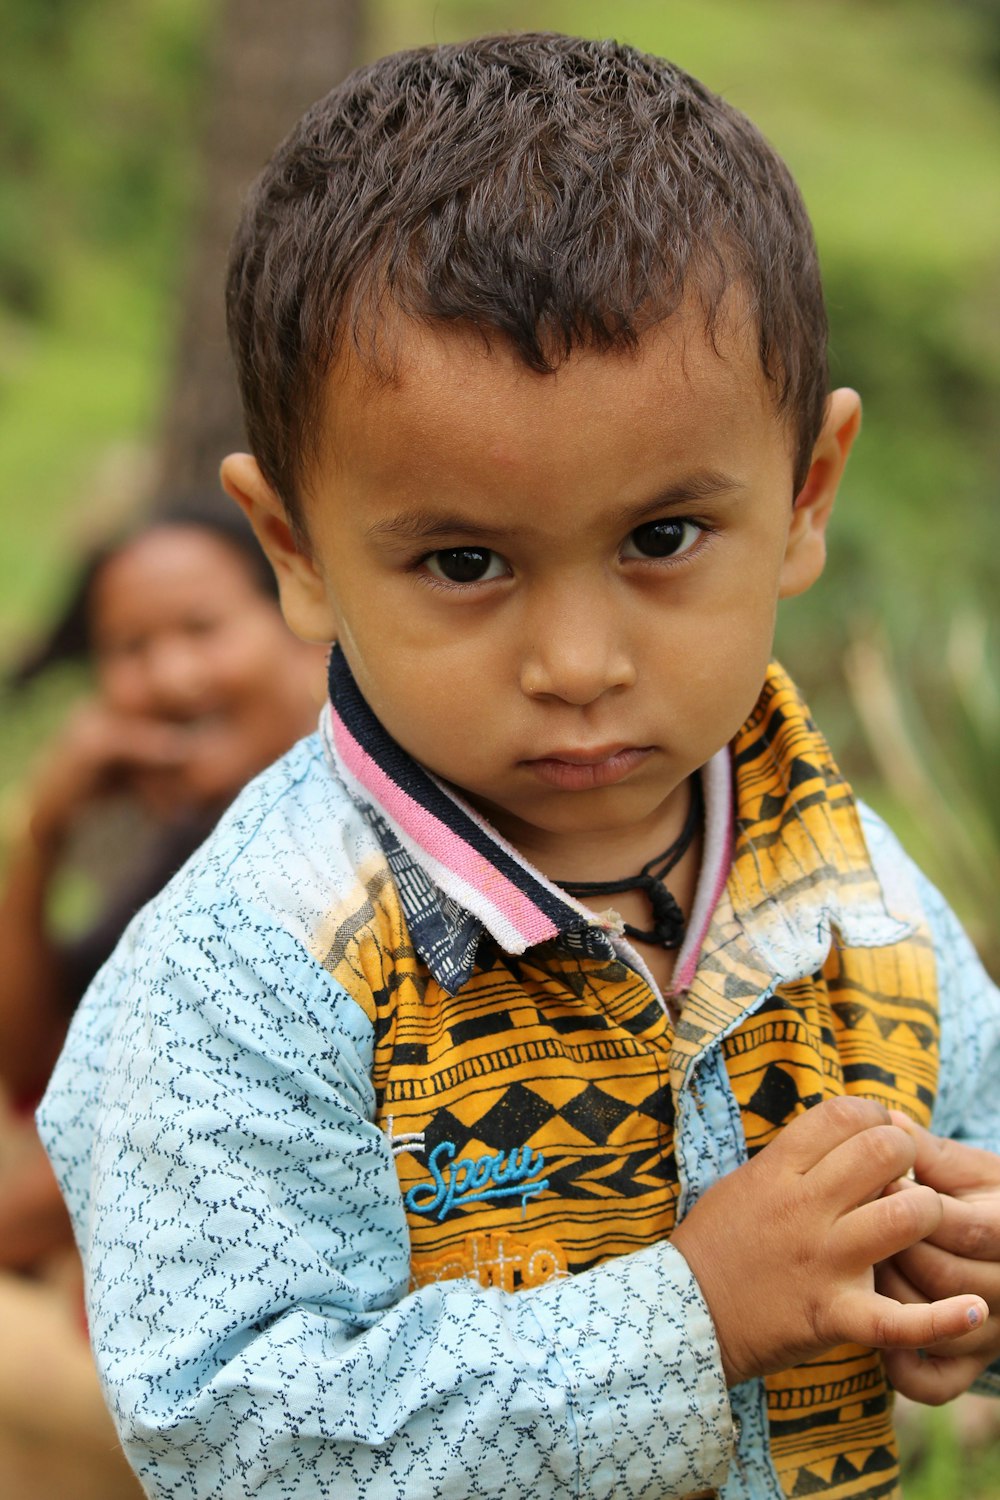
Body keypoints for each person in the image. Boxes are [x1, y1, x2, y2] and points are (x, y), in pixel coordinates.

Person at [38, 35, 1000, 1500]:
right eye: (466, 561)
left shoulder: (857, 894)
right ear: (292, 548)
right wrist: (693, 1314)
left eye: (661, 538)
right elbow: (233, 1436)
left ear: (806, 494)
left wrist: (968, 1284)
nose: (575, 660)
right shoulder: (259, 966)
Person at [0, 500, 324, 1498]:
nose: (169, 677)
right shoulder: (208, 837)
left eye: (200, 629)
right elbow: (33, 1062)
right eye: (129, 649)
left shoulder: (331, 846)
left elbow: (56, 1188)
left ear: (302, 616)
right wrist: (44, 833)